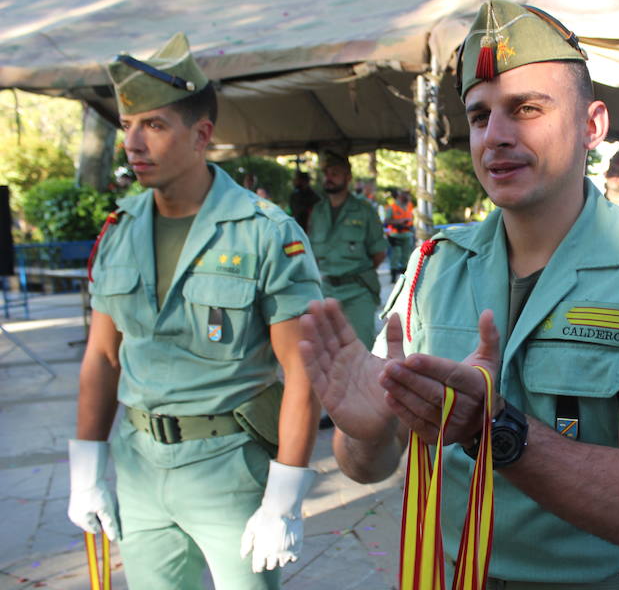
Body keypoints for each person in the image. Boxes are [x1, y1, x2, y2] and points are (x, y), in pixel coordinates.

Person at [298, 0, 619, 588]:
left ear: (592, 124)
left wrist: (497, 430)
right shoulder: (434, 269)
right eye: (480, 117)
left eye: (525, 109)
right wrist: (369, 429)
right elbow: (363, 467)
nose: (496, 136)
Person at [67, 33, 323, 589]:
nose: (133, 143)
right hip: (137, 466)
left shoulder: (264, 233)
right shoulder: (120, 230)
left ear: (201, 134)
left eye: (154, 125)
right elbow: (103, 358)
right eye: (128, 126)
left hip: (229, 466)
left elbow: (302, 371)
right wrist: (86, 471)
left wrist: (285, 496)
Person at [307, 151, 387, 350]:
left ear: (348, 177)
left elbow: (379, 253)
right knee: (325, 353)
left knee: (361, 351)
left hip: (357, 291)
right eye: (327, 174)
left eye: (335, 173)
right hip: (326, 290)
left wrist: (353, 271)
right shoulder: (317, 211)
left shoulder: (364, 211)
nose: (329, 178)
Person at [384, 188, 416, 282]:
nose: (407, 197)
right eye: (405, 194)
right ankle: (393, 277)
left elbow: (411, 218)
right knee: (395, 255)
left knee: (406, 257)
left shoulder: (409, 206)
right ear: (400, 196)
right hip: (395, 235)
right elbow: (386, 221)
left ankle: (405, 279)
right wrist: (399, 222)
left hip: (407, 234)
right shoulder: (392, 207)